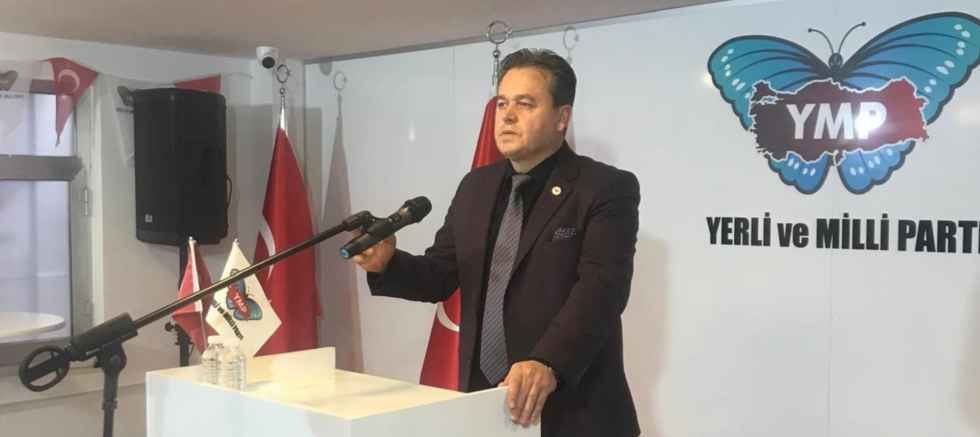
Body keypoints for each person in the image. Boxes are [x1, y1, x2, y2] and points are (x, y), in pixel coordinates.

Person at [351, 48, 641, 437]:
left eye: (525, 103)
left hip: (574, 412)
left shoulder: (604, 187)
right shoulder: (476, 186)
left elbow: (601, 290)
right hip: (485, 406)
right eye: (502, 103)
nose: (506, 115)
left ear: (562, 117)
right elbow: (439, 274)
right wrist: (387, 262)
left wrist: (547, 363)